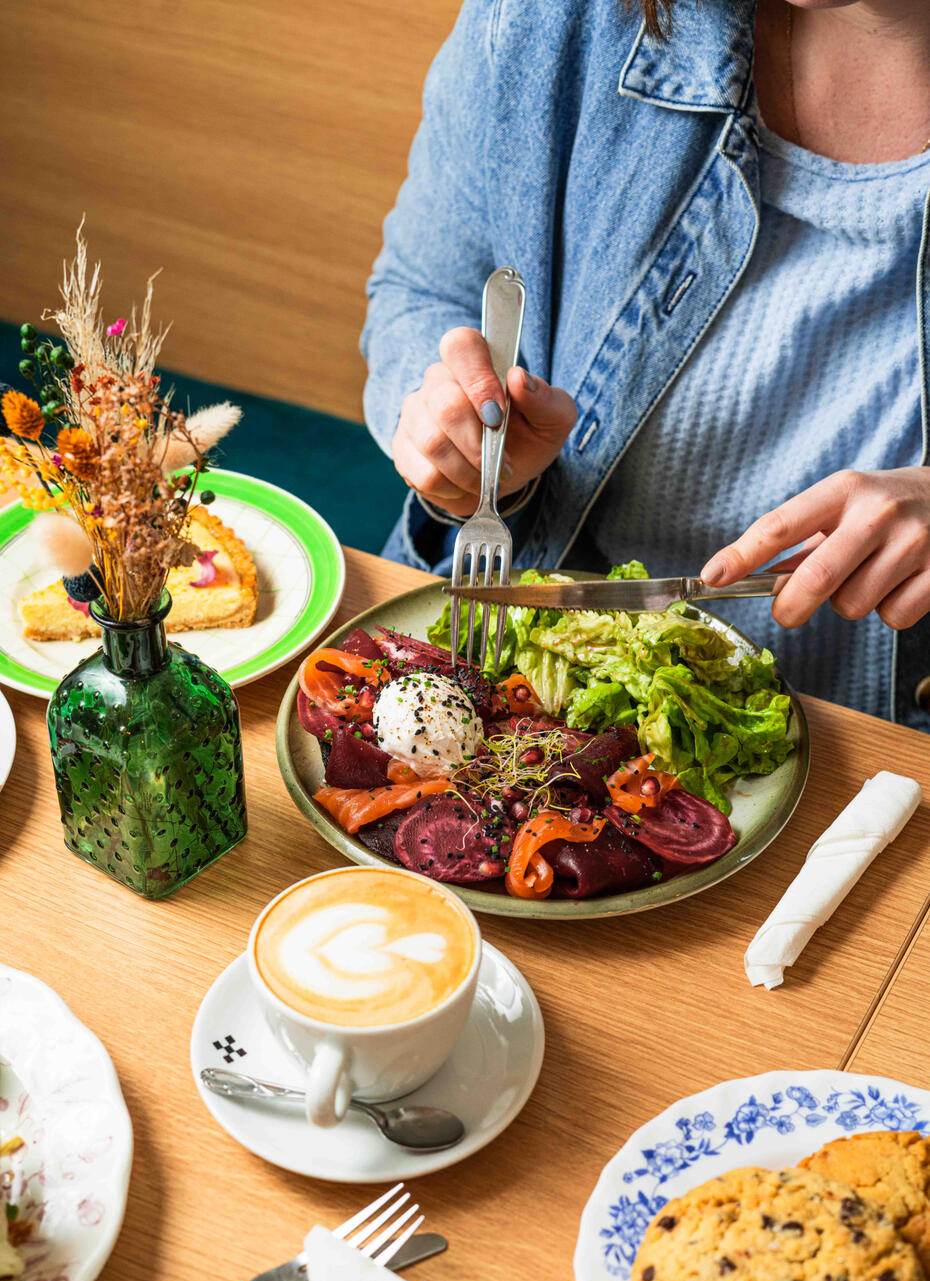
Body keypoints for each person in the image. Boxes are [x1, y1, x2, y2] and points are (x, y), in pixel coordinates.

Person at [361, 0, 930, 732]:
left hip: (873, 743)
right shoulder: (552, 20)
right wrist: (456, 437)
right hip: (519, 682)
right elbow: (423, 292)